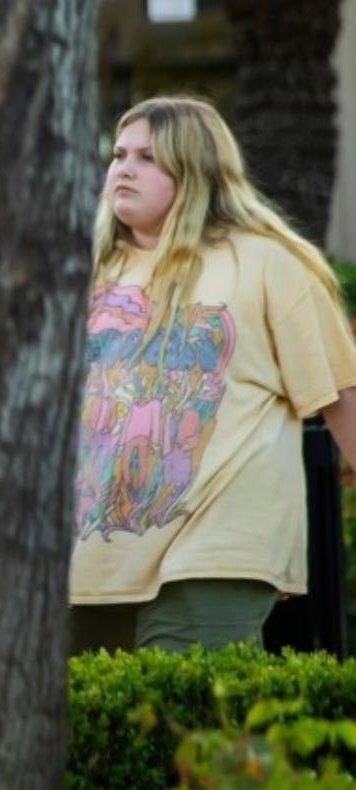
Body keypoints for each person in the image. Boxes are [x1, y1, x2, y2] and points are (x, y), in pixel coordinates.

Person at [71, 96, 356, 653]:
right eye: (119, 154)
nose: (124, 168)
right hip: (91, 558)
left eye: (149, 158)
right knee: (91, 735)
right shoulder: (86, 270)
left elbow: (342, 399)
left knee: (186, 729)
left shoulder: (271, 263)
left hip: (218, 546)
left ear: (197, 171)